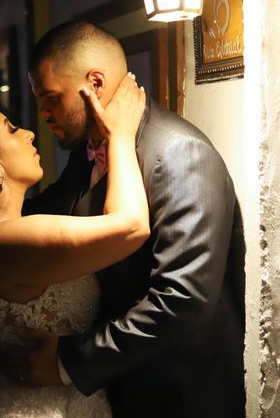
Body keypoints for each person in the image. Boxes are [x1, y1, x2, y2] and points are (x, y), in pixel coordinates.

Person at [15, 21, 245, 418]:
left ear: (96, 84)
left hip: (179, 397)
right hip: (118, 394)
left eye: (51, 97)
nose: (43, 113)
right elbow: (52, 212)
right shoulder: (87, 150)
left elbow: (182, 300)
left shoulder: (178, 154)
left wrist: (71, 362)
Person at [0, 72, 147, 417]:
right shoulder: (3, 242)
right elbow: (131, 227)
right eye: (12, 129)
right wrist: (121, 135)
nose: (28, 132)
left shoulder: (3, 233)